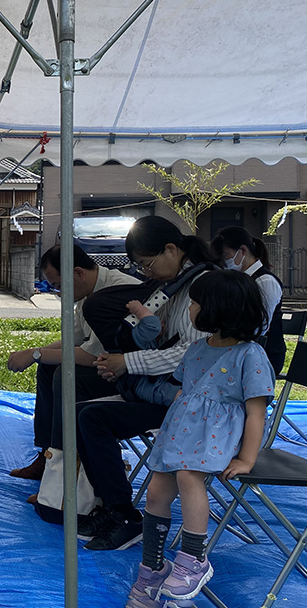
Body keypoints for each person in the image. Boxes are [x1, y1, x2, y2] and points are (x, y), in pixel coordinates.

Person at [125, 269, 274, 607]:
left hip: (217, 437)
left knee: (188, 476)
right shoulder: (196, 348)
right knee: (155, 493)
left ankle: (194, 559)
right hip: (182, 432)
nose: (190, 309)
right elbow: (185, 394)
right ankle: (153, 567)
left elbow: (256, 413)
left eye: (195, 303)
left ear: (218, 309)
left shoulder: (250, 355)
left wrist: (246, 459)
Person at [77, 215, 219, 550]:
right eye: (140, 266)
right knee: (83, 414)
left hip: (194, 404)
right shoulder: (181, 284)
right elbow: (170, 340)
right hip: (176, 393)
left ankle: (124, 515)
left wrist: (128, 362)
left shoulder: (203, 285)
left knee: (91, 418)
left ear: (171, 250)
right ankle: (115, 508)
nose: (146, 273)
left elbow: (193, 352)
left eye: (147, 263)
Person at [6, 244, 138, 481]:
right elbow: (73, 340)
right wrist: (34, 352)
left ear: (78, 273)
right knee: (50, 367)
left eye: (58, 286)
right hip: (109, 369)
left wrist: (35, 354)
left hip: (133, 376)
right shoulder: (87, 293)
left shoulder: (117, 290)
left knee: (66, 376)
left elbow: (90, 356)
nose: (59, 293)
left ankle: (61, 467)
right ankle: (47, 454)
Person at [211, 226, 285, 375]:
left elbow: (260, 327)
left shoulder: (265, 281)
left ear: (243, 251)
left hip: (264, 353)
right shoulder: (238, 279)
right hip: (239, 347)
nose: (224, 262)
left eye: (226, 256)